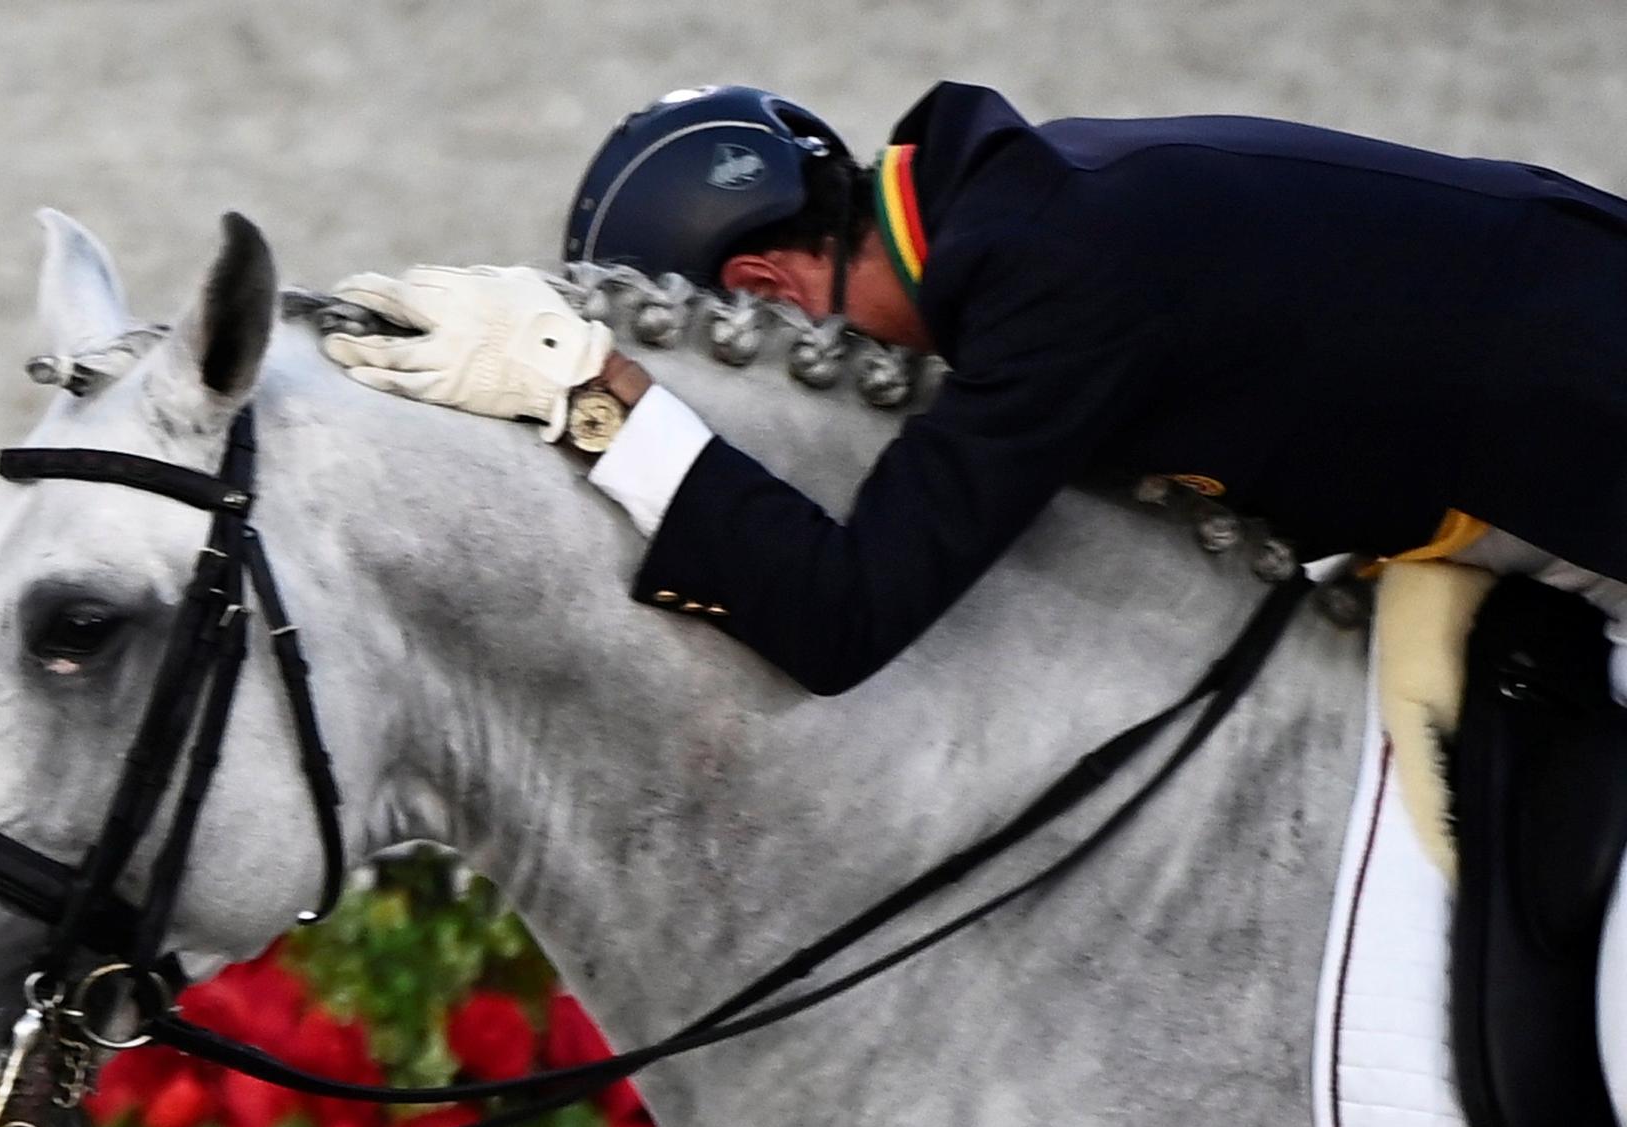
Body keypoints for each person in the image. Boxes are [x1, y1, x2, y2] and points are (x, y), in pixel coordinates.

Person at [321, 84, 1627, 698]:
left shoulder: (1057, 282)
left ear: (768, 293)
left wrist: (594, 396)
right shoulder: (1024, 218)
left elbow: (846, 614)